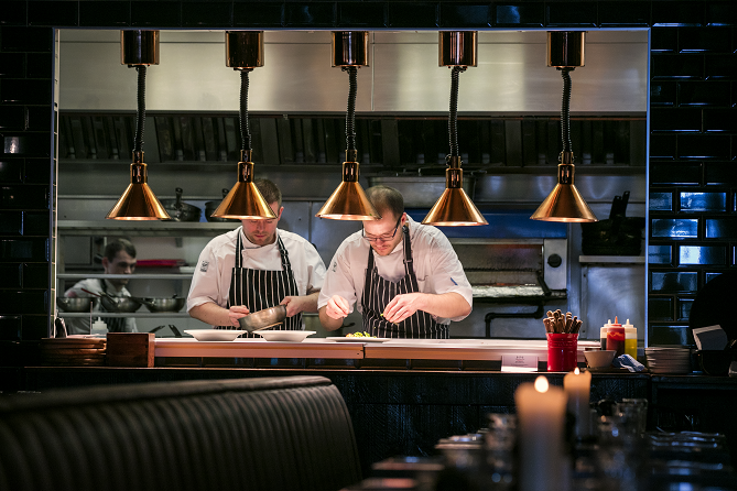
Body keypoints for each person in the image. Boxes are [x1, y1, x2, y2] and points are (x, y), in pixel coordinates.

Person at [318, 185, 472, 339]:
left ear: (403, 220)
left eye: (386, 235)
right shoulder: (351, 248)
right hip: (374, 354)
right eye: (370, 235)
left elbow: (463, 305)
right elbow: (328, 323)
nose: (378, 243)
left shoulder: (430, 241)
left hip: (429, 351)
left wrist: (420, 300)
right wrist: (333, 312)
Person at [187, 179, 326, 333]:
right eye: (253, 220)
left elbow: (327, 298)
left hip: (287, 353)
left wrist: (303, 303)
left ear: (279, 214)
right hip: (232, 352)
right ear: (241, 214)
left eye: (268, 221)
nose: (261, 228)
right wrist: (228, 317)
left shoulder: (301, 248)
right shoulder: (217, 249)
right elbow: (196, 305)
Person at [64, 238, 139, 334]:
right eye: (122, 265)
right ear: (105, 263)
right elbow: (56, 319)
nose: (128, 271)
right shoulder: (86, 289)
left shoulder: (127, 297)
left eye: (132, 266)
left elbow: (131, 334)